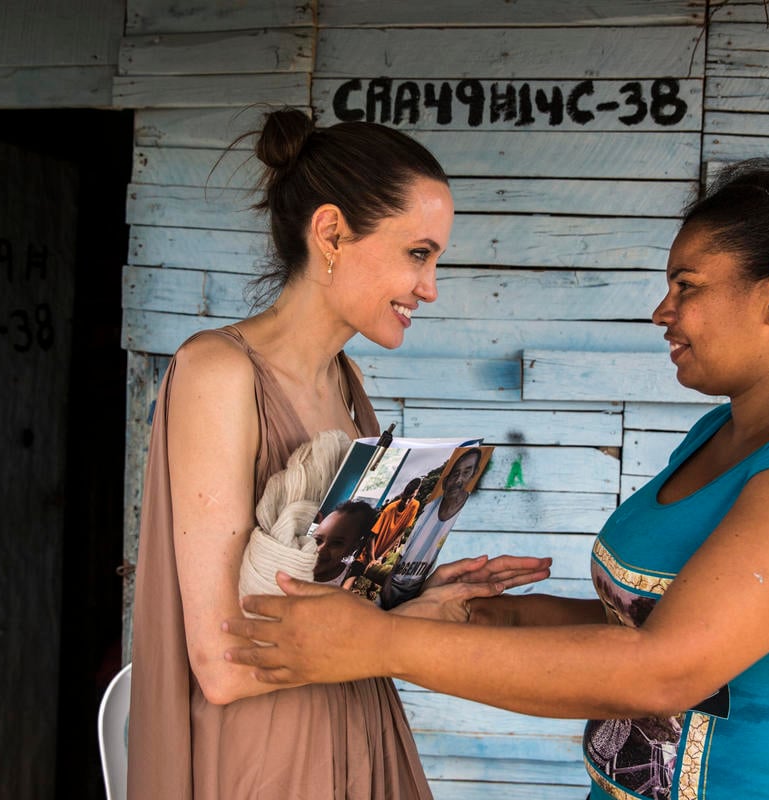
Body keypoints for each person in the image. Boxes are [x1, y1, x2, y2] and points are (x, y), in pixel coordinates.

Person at [223, 158, 769, 799]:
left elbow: (666, 669)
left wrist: (378, 645)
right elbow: (646, 619)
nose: (663, 311)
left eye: (688, 285)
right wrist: (480, 614)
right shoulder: (723, 434)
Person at [126, 108, 552, 800]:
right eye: (418, 254)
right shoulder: (218, 372)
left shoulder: (345, 384)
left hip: (355, 722)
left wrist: (429, 598)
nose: (430, 287)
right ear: (330, 233)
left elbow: (331, 602)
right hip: (268, 753)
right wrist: (402, 632)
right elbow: (223, 663)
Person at [380, 448, 484, 608]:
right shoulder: (429, 509)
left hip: (423, 599)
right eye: (455, 473)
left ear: (474, 474)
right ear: (445, 480)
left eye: (466, 472)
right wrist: (387, 583)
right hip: (392, 589)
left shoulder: (469, 515)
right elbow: (402, 553)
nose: (458, 480)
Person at [312, 501, 380, 587]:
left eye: (336, 543)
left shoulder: (349, 581)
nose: (320, 550)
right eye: (317, 539)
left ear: (352, 548)